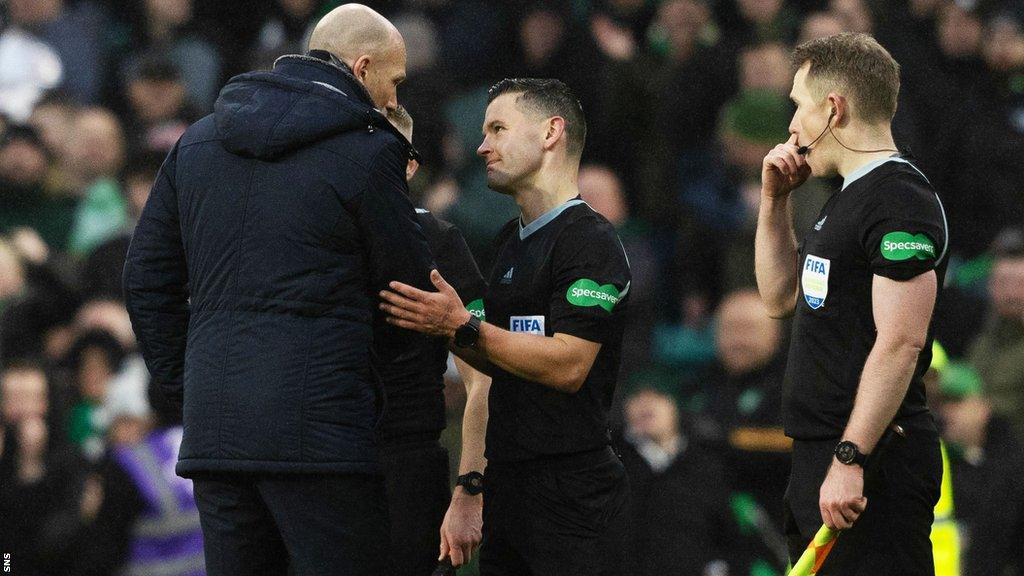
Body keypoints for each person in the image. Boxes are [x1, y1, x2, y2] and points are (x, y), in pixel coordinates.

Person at [122, 4, 435, 575]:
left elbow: (145, 279)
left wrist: (192, 382)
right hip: (325, 440)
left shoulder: (196, 143)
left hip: (218, 435)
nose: (395, 102)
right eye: (394, 83)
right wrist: (364, 392)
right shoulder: (370, 152)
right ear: (363, 69)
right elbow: (408, 294)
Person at [380, 78, 632, 576]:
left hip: (571, 492)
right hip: (509, 488)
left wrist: (463, 328)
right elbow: (490, 372)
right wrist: (471, 485)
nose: (482, 146)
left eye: (497, 128)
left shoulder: (589, 240)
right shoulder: (509, 243)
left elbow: (569, 365)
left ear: (550, 133)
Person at [754, 33, 948, 574]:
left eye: (798, 105)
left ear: (833, 108)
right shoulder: (847, 196)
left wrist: (851, 457)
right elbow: (778, 297)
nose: (792, 125)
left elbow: (902, 342)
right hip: (823, 454)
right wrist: (774, 203)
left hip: (872, 461)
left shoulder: (900, 201)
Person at [382, 106, 490, 573]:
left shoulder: (436, 242)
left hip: (402, 465)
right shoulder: (302, 235)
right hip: (309, 465)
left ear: (410, 165)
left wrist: (469, 487)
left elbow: (483, 374)